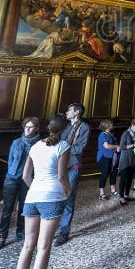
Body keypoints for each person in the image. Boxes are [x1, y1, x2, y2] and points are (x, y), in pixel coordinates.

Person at [16, 115, 71, 269]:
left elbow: (25, 175)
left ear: (48, 128)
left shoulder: (35, 146)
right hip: (52, 196)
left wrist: (36, 187)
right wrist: (68, 190)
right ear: (65, 129)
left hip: (32, 196)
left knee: (27, 245)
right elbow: (61, 176)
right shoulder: (63, 145)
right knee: (44, 246)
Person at [0, 117, 40, 251]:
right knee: (7, 209)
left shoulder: (39, 144)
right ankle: (2, 236)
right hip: (12, 178)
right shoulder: (17, 142)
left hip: (28, 179)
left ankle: (20, 232)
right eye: (26, 127)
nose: (27, 129)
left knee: (23, 208)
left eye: (30, 127)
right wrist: (12, 174)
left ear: (36, 129)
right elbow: (11, 160)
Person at [55, 103, 90, 246]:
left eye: (69, 110)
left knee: (69, 197)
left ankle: (64, 231)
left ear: (76, 112)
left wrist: (63, 148)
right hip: (60, 165)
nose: (66, 112)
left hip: (73, 165)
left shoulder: (84, 127)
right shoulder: (66, 126)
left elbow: (79, 147)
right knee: (56, 195)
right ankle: (52, 227)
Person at [117, 118, 135, 205]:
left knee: (129, 179)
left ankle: (126, 195)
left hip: (133, 159)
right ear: (132, 125)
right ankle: (121, 198)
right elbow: (122, 146)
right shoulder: (126, 133)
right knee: (123, 179)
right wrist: (134, 145)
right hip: (125, 160)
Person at [96, 119, 118, 200]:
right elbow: (107, 146)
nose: (112, 124)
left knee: (113, 173)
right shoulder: (102, 135)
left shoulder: (110, 134)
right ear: (106, 126)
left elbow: (114, 143)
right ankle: (101, 194)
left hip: (112, 156)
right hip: (104, 157)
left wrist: (116, 146)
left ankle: (113, 190)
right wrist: (117, 146)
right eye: (111, 123)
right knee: (104, 174)